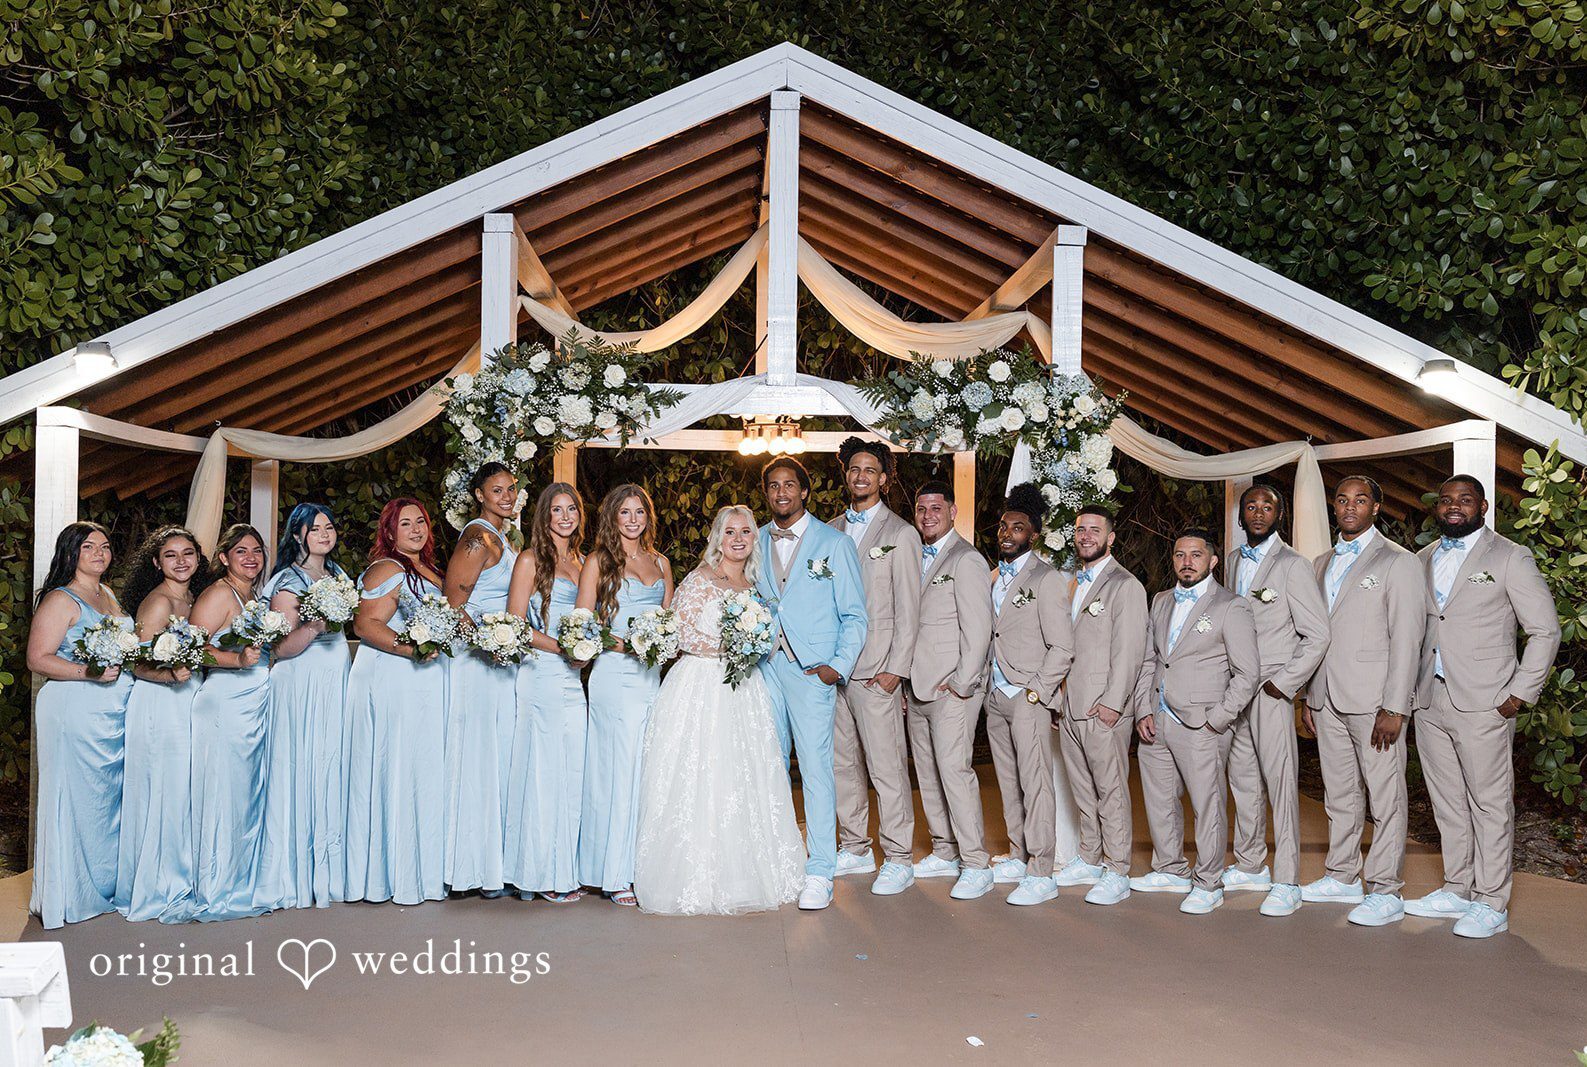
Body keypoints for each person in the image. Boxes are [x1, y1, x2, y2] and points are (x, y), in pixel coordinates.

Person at [633, 506, 806, 915]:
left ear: (754, 539)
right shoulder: (701, 579)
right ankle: (693, 874)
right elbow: (679, 632)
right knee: (703, 773)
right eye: (730, 532)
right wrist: (730, 646)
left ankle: (743, 874)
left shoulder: (755, 585)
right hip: (701, 686)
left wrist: (750, 644)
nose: (738, 539)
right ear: (718, 538)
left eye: (745, 531)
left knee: (744, 775)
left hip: (745, 689)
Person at [1408, 475, 1560, 938]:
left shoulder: (1510, 556)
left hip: (1486, 703)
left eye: (1465, 500)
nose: (1454, 507)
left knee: (1490, 805)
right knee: (1447, 802)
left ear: (1484, 506)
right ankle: (1457, 888)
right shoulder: (1422, 559)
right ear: (1437, 508)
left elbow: (1545, 631)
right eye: (1446, 500)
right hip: (1429, 699)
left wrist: (1519, 694)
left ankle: (1492, 901)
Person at [1303, 475, 1425, 928]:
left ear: (1376, 507)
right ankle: (1341, 875)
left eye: (1360, 500)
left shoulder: (1399, 561)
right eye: (1342, 499)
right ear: (1334, 507)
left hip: (1376, 702)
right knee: (1338, 794)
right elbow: (1314, 634)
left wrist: (1395, 706)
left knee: (1385, 796)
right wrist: (1310, 695)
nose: (1349, 507)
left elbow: (1408, 638)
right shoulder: (1320, 563)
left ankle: (1386, 889)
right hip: (1327, 698)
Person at [756, 456, 868, 911]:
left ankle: (821, 870)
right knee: (768, 766)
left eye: (789, 485)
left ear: (804, 491)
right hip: (765, 668)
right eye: (773, 486)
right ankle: (780, 861)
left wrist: (835, 667)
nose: (781, 492)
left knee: (817, 770)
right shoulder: (754, 538)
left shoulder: (834, 543)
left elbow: (855, 615)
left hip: (811, 672)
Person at [1132, 528, 1260, 915]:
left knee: (1208, 804)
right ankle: (1170, 868)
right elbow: (1151, 659)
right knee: (1159, 799)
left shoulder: (1231, 606)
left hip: (1202, 724)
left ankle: (1209, 881)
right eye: (1180, 555)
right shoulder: (1161, 600)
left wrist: (1217, 720)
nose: (1187, 562)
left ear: (1213, 561)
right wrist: (1143, 708)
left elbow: (1247, 674)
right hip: (1158, 718)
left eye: (1196, 555)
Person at [1221, 486, 1330, 918]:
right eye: (1251, 506)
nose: (1258, 513)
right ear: (1241, 515)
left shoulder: (1293, 565)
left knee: (1281, 786)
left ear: (1279, 515)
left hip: (1270, 690)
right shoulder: (1232, 561)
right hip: (1235, 689)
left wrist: (1284, 684)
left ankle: (1287, 879)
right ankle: (1250, 864)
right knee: (1243, 780)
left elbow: (1317, 634)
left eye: (1267, 507)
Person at [27, 522, 134, 928]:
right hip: (73, 709)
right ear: (70, 553)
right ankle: (69, 894)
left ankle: (101, 887)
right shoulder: (61, 599)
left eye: (104, 546)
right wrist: (88, 672)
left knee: (103, 803)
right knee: (75, 800)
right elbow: (38, 658)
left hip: (110, 714)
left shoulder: (107, 594)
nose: (99, 553)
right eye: (88, 547)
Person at [343, 499, 449, 906]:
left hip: (423, 683)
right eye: (405, 524)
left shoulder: (427, 568)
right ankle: (392, 873)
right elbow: (366, 623)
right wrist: (413, 649)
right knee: (400, 767)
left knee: (420, 769)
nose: (416, 529)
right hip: (397, 679)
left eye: (421, 521)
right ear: (389, 532)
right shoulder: (388, 568)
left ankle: (422, 870)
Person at [829, 437, 921, 896]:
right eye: (854, 469)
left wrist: (895, 671)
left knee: (887, 769)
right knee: (843, 764)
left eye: (869, 470)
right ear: (846, 475)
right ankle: (855, 846)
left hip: (877, 670)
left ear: (883, 479)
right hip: (835, 671)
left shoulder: (901, 534)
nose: (860, 476)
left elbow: (910, 609)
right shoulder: (828, 530)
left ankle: (899, 856)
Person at [577, 484, 673, 906]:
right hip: (614, 676)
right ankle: (613, 873)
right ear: (612, 517)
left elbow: (669, 621)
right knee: (616, 769)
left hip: (650, 677)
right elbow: (582, 624)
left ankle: (638, 866)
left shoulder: (661, 562)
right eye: (625, 512)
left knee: (645, 770)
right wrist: (626, 643)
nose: (633, 520)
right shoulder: (599, 561)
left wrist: (660, 643)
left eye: (640, 512)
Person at [253, 503, 351, 911]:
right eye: (315, 529)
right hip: (302, 681)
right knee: (303, 766)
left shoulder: (339, 575)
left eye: (329, 527)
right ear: (298, 535)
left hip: (334, 678)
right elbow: (281, 648)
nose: (325, 534)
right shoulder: (287, 582)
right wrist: (315, 624)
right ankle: (297, 876)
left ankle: (332, 873)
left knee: (331, 765)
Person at [983, 483, 1074, 907]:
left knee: (1036, 782)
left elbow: (1063, 647)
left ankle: (1042, 869)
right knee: (1007, 779)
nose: (1007, 533)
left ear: (1033, 535)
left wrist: (1036, 692)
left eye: (1017, 528)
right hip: (994, 694)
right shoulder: (993, 577)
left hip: (1026, 695)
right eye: (1003, 526)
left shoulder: (1046, 578)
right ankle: (1019, 855)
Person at [1054, 504, 1148, 908]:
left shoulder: (1125, 585)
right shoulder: (1071, 584)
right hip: (1070, 705)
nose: (1086, 536)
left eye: (1095, 530)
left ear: (1110, 538)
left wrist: (1113, 702)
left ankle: (1117, 869)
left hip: (1103, 708)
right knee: (1082, 788)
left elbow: (1130, 650)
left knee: (1111, 791)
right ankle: (1090, 857)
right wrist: (1058, 700)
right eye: (1080, 530)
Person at [907, 481, 996, 901]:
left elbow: (979, 629)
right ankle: (944, 850)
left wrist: (962, 684)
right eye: (921, 508)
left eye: (936, 508)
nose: (928, 515)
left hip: (952, 690)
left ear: (952, 511)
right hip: (917, 684)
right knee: (927, 774)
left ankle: (976, 862)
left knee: (955, 773)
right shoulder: (914, 555)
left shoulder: (967, 559)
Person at [117, 526, 208, 923]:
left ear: (198, 558)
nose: (181, 561)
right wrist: (170, 675)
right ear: (156, 563)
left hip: (187, 700)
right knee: (163, 790)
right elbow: (136, 664)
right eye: (171, 555)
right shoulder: (157, 603)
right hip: (159, 705)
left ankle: (181, 874)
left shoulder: (195, 599)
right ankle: (158, 884)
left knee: (183, 791)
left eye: (187, 553)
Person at [504, 482, 589, 903]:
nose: (565, 516)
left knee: (572, 771)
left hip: (573, 678)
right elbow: (515, 623)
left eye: (571, 508)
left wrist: (585, 651)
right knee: (542, 772)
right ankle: (539, 874)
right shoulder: (530, 559)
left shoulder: (584, 561)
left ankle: (564, 868)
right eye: (557, 510)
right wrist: (563, 648)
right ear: (544, 516)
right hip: (540, 672)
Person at [442, 462, 521, 898]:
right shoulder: (476, 538)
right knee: (477, 757)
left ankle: (493, 864)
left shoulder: (502, 538)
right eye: (497, 490)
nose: (506, 497)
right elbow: (452, 606)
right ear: (478, 494)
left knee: (496, 757)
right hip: (477, 664)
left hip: (500, 660)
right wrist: (487, 642)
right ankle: (470, 868)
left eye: (511, 489)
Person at [189, 523, 272, 921]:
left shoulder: (255, 595)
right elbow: (192, 648)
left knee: (245, 796)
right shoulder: (219, 594)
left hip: (253, 706)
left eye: (256, 550)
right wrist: (235, 660)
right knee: (222, 794)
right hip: (224, 704)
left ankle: (241, 880)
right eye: (241, 551)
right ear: (224, 557)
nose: (251, 557)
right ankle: (216, 886)